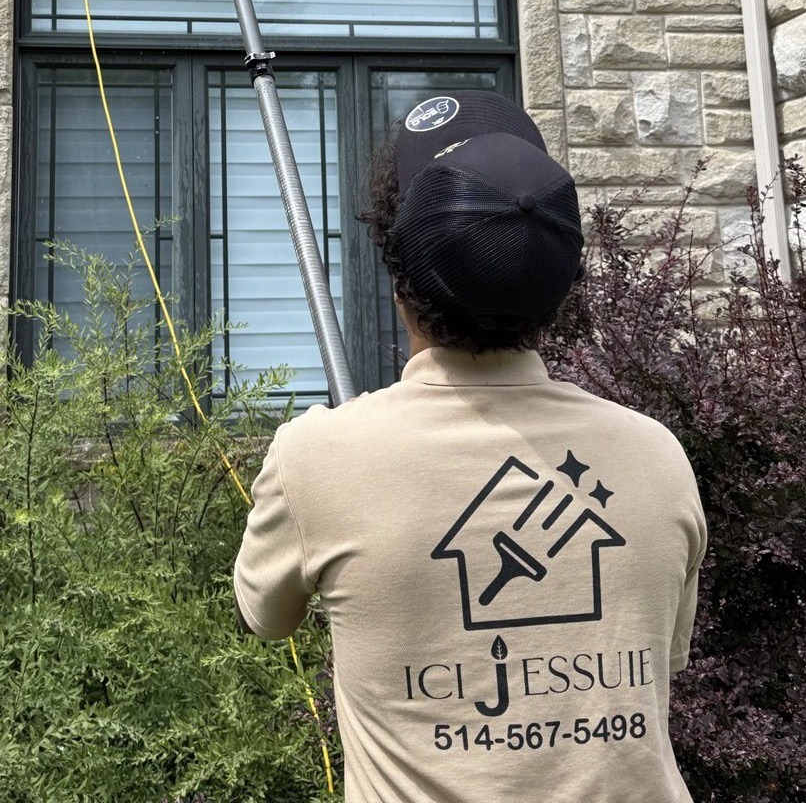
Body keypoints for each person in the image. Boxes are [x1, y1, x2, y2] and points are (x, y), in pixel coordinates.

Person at [233, 92, 706, 802]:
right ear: (562, 286)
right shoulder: (657, 457)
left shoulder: (314, 457)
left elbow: (265, 617)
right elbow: (659, 655)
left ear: (399, 275)